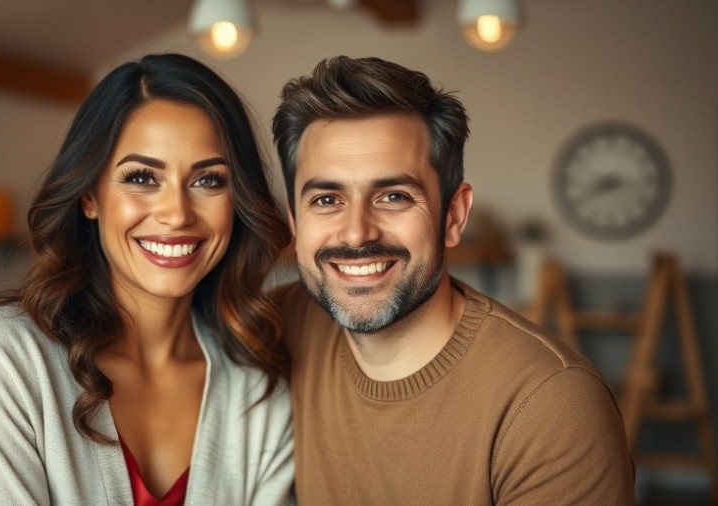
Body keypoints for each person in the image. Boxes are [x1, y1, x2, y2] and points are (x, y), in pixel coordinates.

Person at [270, 55, 636, 504]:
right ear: (294, 221)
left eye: (393, 196)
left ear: (454, 216)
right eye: (326, 199)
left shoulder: (551, 405)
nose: (356, 232)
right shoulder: (279, 324)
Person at [0, 53, 294, 505]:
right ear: (90, 195)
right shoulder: (4, 360)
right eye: (143, 177)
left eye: (209, 181)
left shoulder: (259, 389)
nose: (176, 214)